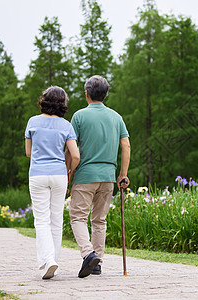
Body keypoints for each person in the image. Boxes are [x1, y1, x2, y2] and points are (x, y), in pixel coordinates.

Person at [65, 75, 130, 278]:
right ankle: (97, 263)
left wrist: (68, 174)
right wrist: (123, 175)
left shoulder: (79, 117)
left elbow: (71, 149)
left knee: (77, 217)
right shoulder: (116, 117)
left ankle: (88, 254)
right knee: (99, 221)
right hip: (108, 176)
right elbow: (126, 145)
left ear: (87, 94)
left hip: (85, 174)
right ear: (106, 94)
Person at [25, 86, 80, 280]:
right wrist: (69, 172)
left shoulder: (32, 121)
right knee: (56, 220)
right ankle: (52, 262)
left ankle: (48, 260)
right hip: (59, 175)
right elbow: (75, 155)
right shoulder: (66, 125)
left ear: (44, 101)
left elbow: (29, 153)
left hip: (38, 175)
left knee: (41, 220)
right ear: (63, 104)